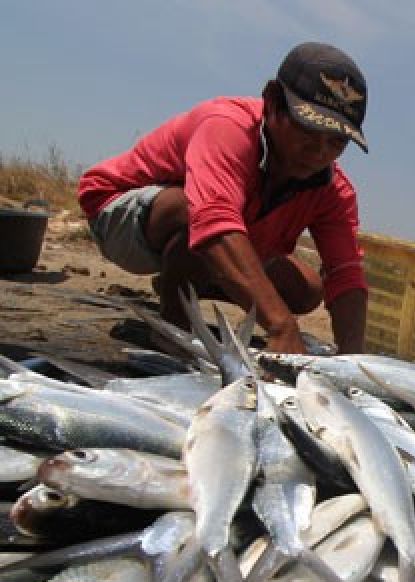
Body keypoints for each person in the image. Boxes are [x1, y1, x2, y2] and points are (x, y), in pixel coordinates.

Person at [78, 42, 370, 354]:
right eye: (307, 130)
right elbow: (212, 219)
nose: (319, 152)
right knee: (192, 211)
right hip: (122, 218)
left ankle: (184, 282)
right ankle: (174, 330)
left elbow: (345, 272)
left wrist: (353, 363)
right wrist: (280, 325)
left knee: (307, 288)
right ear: (272, 102)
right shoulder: (227, 128)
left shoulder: (334, 190)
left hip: (216, 238)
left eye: (337, 142)